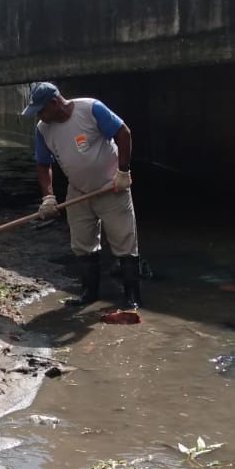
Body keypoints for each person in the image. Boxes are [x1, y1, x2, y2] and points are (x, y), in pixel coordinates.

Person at [22, 82, 141, 311]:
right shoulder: (43, 129)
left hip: (111, 187)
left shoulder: (90, 109)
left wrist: (123, 171)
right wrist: (48, 197)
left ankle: (132, 298)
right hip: (78, 191)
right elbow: (43, 164)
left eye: (41, 110)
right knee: (82, 244)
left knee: (124, 242)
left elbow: (123, 132)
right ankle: (89, 294)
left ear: (55, 104)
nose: (40, 116)